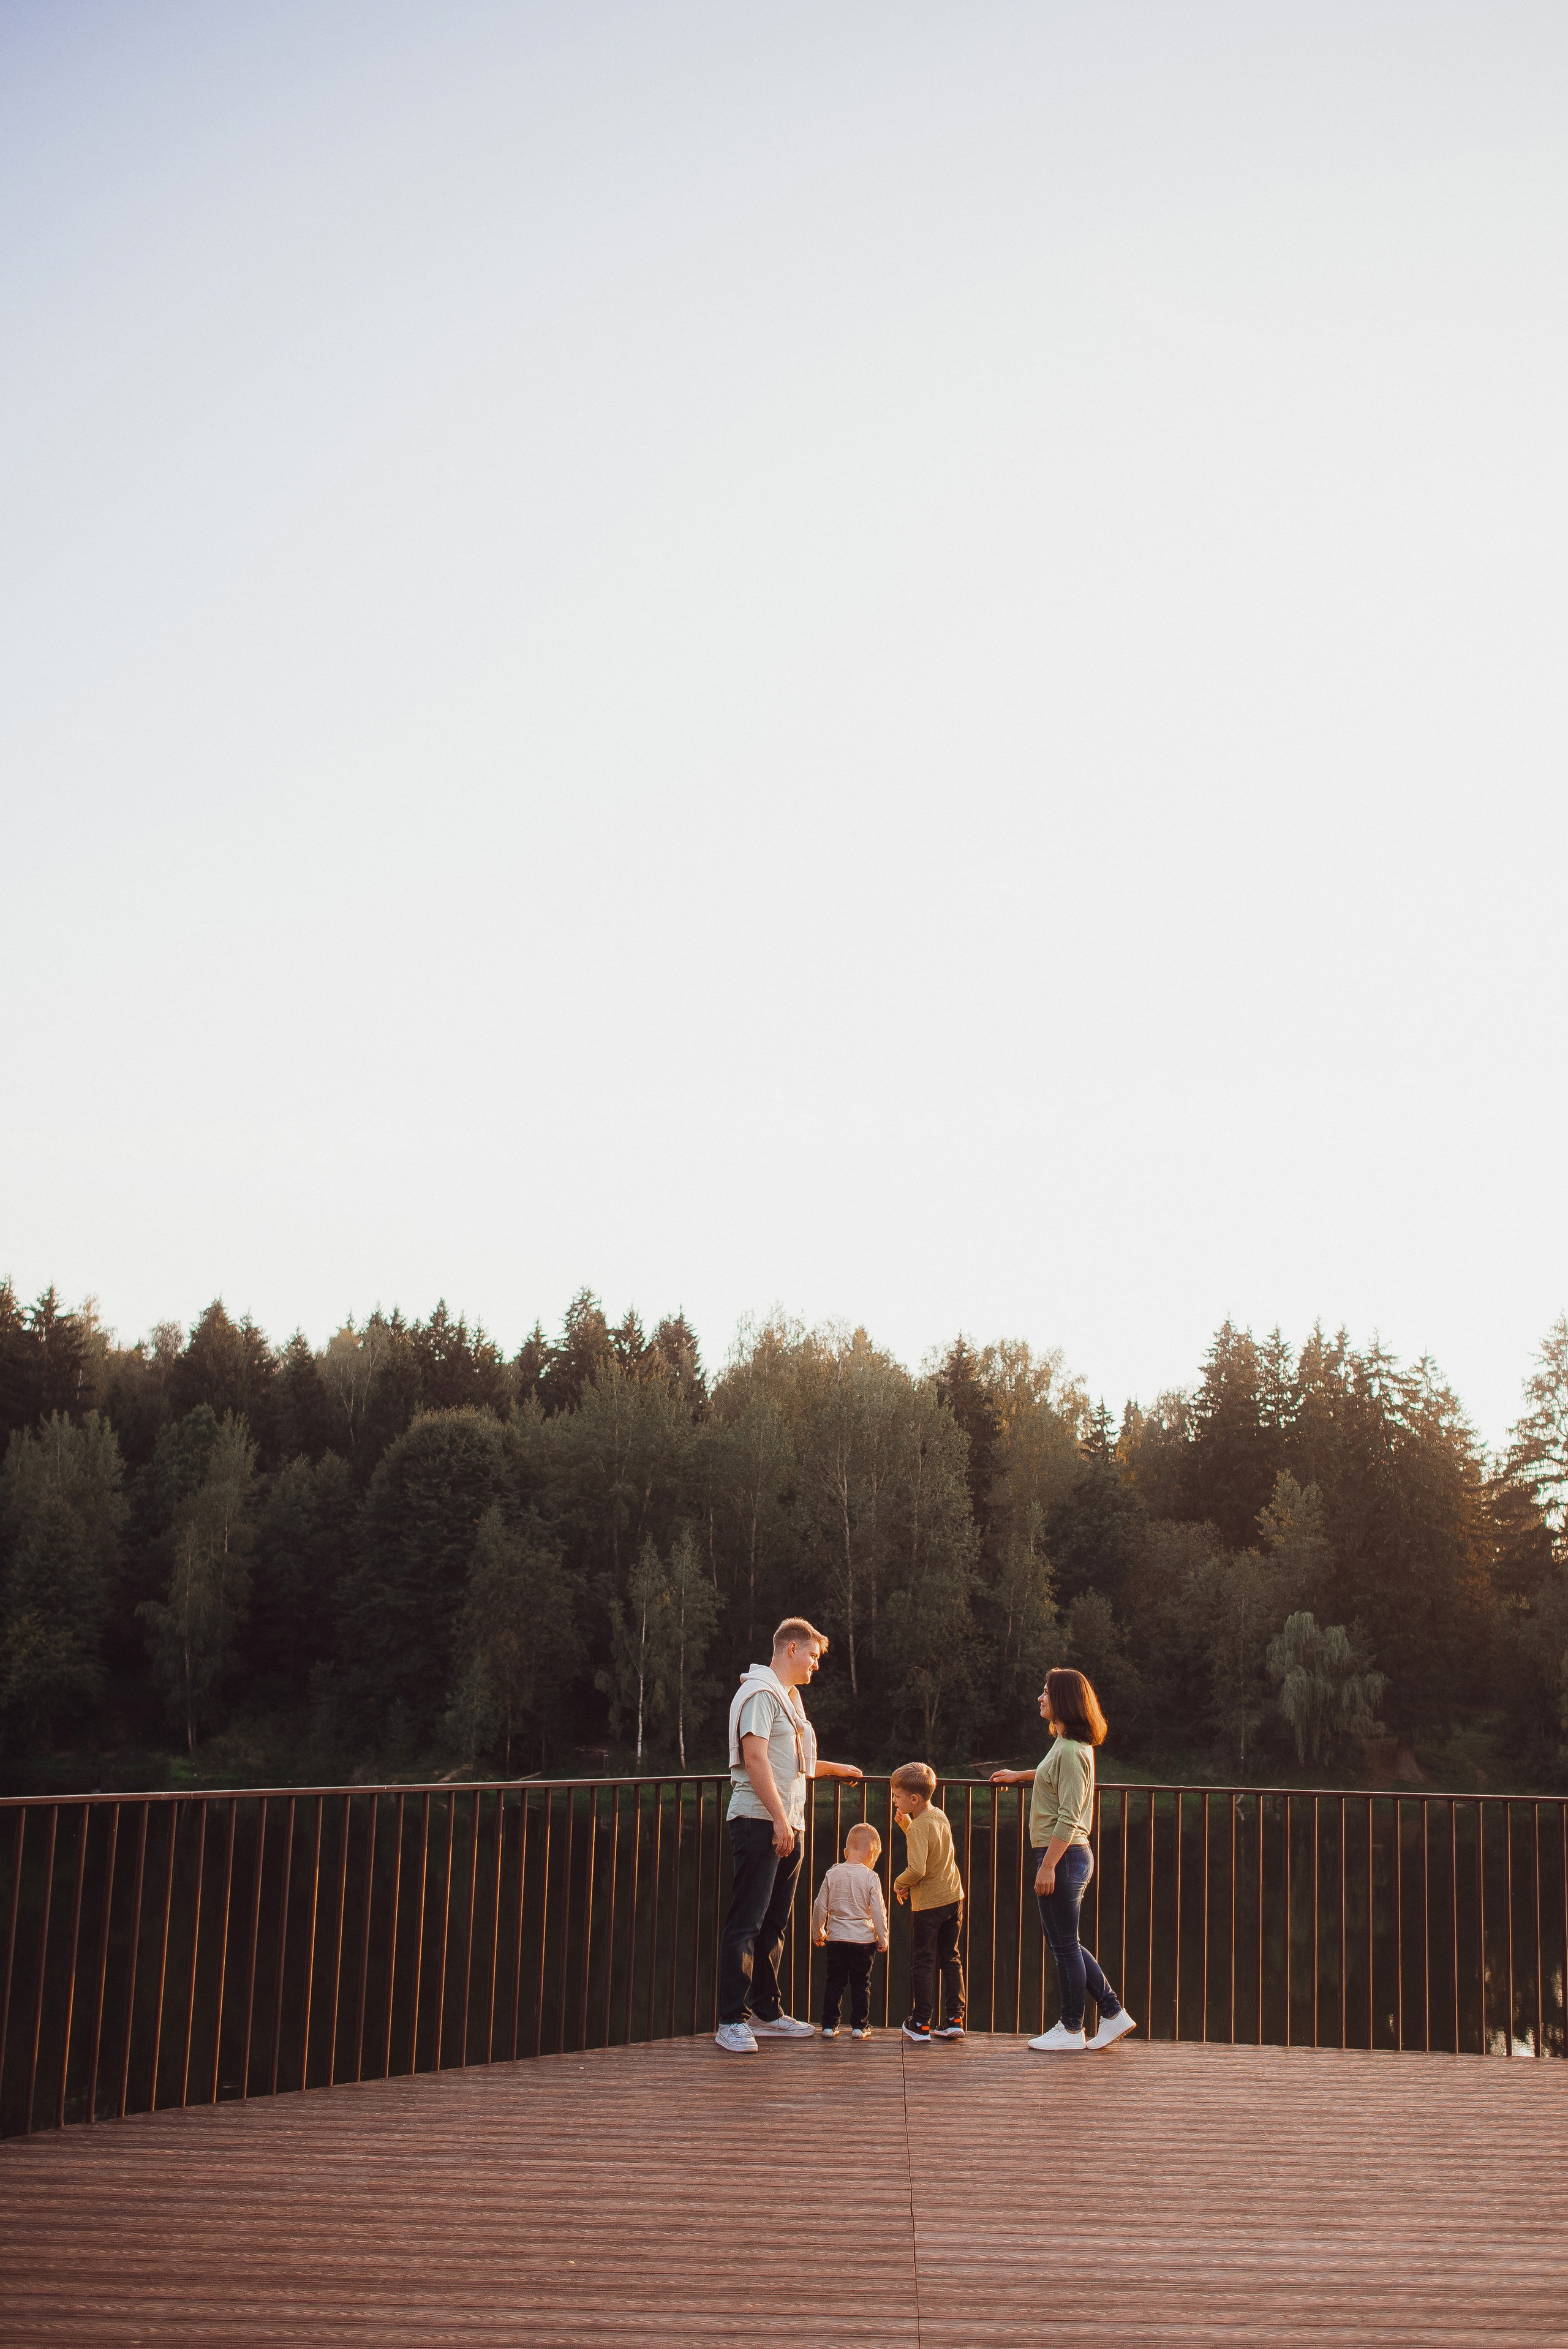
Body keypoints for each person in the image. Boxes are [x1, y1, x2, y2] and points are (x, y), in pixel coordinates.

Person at [714, 1617, 864, 2053]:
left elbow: (796, 1761)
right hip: (762, 1821)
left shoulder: (789, 1699)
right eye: (814, 1656)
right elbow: (755, 1756)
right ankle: (730, 2020)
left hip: (786, 1823)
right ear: (792, 1649)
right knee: (747, 1922)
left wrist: (840, 1770)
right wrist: (780, 1820)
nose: (816, 1665)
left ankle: (766, 2011)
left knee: (774, 1924)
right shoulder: (761, 1693)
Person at [992, 1667, 1137, 2053]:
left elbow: (1071, 1815)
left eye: (1046, 1692)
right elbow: (1052, 1779)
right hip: (1065, 1855)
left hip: (1065, 1855)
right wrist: (1021, 1776)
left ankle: (1073, 2028)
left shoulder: (1072, 1751)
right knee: (1064, 1942)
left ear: (1065, 1701)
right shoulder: (1065, 1744)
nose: (1040, 1698)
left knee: (1064, 1944)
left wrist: (1048, 1865)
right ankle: (1111, 2013)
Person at [889, 1762, 965, 2043]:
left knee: (922, 1961)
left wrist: (899, 1884)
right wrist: (907, 1826)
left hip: (929, 1906)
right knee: (951, 1957)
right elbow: (932, 1847)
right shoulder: (938, 1815)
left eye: (897, 1796)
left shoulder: (919, 1827)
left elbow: (918, 1869)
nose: (894, 1800)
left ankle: (921, 2022)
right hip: (954, 1897)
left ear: (914, 1799)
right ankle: (955, 2018)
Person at [810, 1821, 889, 2038]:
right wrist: (883, 1938)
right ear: (873, 1853)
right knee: (861, 1983)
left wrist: (818, 1932)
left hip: (836, 1938)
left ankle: (829, 2025)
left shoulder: (832, 1874)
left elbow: (820, 1905)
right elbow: (878, 1911)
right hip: (863, 1941)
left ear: (846, 1851)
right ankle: (859, 2026)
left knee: (834, 1980)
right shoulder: (871, 1877)